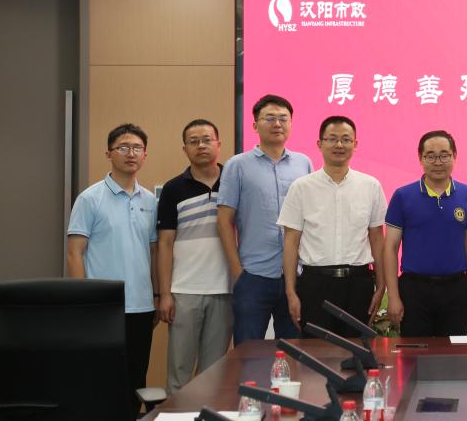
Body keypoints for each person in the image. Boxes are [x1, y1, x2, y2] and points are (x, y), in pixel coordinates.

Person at [67, 123, 158, 418]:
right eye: (123, 147)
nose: (131, 153)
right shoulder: (89, 198)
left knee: (136, 378)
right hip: (102, 306)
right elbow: (75, 253)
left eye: (137, 148)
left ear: (144, 155)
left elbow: (154, 253)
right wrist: (83, 301)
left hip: (141, 306)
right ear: (109, 153)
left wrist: (157, 296)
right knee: (102, 375)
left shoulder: (150, 201)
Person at [278, 115, 386, 337]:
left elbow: (377, 238)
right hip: (315, 284)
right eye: (332, 139)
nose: (339, 145)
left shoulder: (370, 186)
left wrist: (382, 285)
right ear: (320, 144)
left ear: (355, 144)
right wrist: (291, 292)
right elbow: (291, 242)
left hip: (358, 284)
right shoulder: (301, 187)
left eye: (346, 139)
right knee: (316, 352)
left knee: (357, 352)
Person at [217, 94, 312, 345]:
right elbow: (224, 220)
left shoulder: (303, 163)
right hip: (253, 274)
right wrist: (237, 271)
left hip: (296, 274)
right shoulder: (237, 165)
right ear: (254, 125)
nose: (277, 124)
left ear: (291, 124)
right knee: (248, 351)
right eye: (269, 118)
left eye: (283, 118)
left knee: (294, 350)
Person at [156, 118, 233, 395]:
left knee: (214, 372)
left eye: (207, 139)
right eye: (194, 141)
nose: (201, 145)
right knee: (179, 371)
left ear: (218, 144)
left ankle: (206, 414)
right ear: (185, 149)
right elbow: (165, 243)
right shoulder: (173, 189)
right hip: (184, 291)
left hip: (224, 290)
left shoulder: (234, 183)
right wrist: (165, 294)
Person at [383, 130, 467, 337]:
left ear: (454, 156)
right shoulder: (402, 195)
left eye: (444, 155)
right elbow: (390, 248)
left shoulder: (466, 194)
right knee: (415, 351)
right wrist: (393, 296)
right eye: (430, 156)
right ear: (420, 158)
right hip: (414, 289)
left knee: (453, 352)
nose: (438, 162)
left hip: (455, 289)